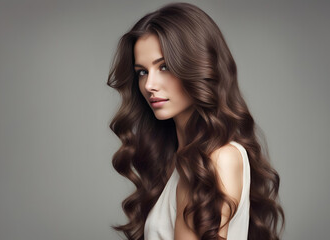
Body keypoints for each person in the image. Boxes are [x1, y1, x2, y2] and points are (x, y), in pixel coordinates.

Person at [107, 2, 284, 240]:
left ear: (198, 67)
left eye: (164, 66)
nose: (149, 85)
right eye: (142, 71)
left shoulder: (218, 159)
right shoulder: (178, 162)